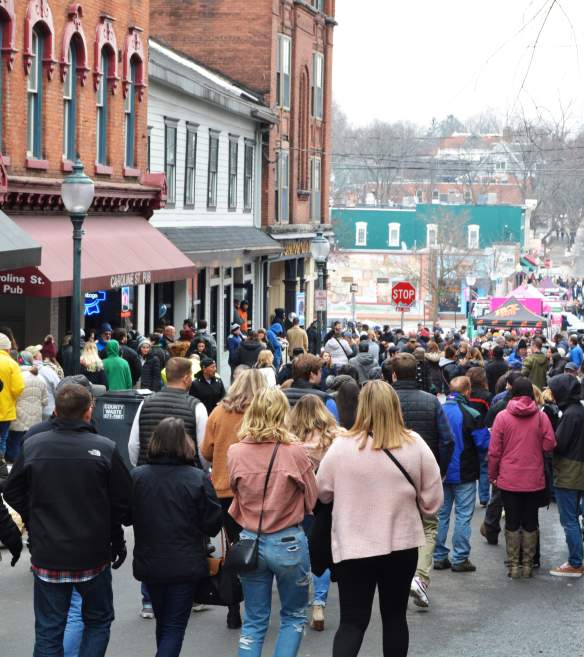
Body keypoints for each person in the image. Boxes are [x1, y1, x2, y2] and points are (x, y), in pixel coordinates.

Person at [4, 383, 132, 657]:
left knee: (50, 628)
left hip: (48, 552)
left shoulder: (34, 446)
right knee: (97, 620)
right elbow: (122, 500)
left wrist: (34, 515)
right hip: (92, 553)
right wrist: (114, 535)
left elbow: (12, 491)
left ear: (56, 411)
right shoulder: (104, 448)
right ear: (89, 411)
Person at [317, 380, 443, 657]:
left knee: (352, 622)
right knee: (395, 618)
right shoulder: (414, 444)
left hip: (353, 547)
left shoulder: (341, 447)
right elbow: (432, 502)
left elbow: (322, 493)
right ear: (395, 407)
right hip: (401, 544)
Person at [227, 387, 318, 657]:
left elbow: (236, 491)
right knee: (293, 616)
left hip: (250, 540)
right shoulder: (295, 452)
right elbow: (312, 500)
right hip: (288, 540)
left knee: (254, 621)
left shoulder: (235, 452)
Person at [132, 417, 223, 657]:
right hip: (186, 563)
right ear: (185, 444)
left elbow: (127, 515)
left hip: (150, 561)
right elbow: (213, 523)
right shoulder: (196, 478)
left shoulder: (138, 477)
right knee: (173, 627)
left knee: (163, 623)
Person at [201, 369, 267, 630]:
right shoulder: (265, 413)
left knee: (234, 549)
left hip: (226, 491)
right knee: (260, 549)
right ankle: (256, 604)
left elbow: (205, 450)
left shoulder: (219, 412)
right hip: (260, 490)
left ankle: (232, 608)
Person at [386, 353, 454, 609]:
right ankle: (420, 577)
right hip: (424, 471)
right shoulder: (431, 402)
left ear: (393, 374)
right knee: (428, 524)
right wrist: (440, 470)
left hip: (389, 472)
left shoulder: (386, 401)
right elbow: (447, 440)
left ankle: (394, 576)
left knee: (394, 523)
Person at [488, 377, 556, 578]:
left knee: (511, 520)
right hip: (533, 477)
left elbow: (494, 452)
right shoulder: (541, 417)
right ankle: (528, 565)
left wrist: (493, 475)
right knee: (530, 520)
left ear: (513, 392)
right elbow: (550, 443)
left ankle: (513, 566)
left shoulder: (502, 417)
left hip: (509, 478)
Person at [289, 394, 338, 631]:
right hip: (327, 502)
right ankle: (319, 602)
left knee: (299, 552)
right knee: (322, 551)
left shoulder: (290, 441)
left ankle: (298, 603)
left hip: (298, 500)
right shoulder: (336, 437)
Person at [434, 376, 490, 572]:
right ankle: (459, 558)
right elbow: (484, 444)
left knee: (441, 515)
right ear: (467, 391)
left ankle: (439, 556)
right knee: (463, 516)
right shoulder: (472, 413)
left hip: (440, 471)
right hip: (464, 472)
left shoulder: (438, 409)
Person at [548, 374, 584, 577]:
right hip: (578, 469)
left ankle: (575, 562)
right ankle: (577, 559)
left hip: (569, 472)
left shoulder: (570, 414)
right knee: (574, 518)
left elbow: (558, 445)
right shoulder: (578, 410)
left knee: (569, 519)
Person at [7, 352, 48, 463]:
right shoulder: (40, 377)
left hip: (18, 417)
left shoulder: (16, 376)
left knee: (15, 446)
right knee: (30, 446)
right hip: (35, 420)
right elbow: (45, 401)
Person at [283, 354, 338, 418]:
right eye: (320, 371)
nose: (321, 374)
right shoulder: (326, 400)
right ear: (312, 375)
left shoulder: (280, 396)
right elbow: (334, 425)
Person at [467, 366, 492, 507]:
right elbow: (491, 414)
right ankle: (483, 497)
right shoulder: (486, 396)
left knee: (470, 466)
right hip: (483, 433)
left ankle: (469, 497)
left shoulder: (467, 394)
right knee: (484, 467)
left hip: (467, 433)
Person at [0, 333, 25, 478]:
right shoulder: (11, 363)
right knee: (2, 439)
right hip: (5, 408)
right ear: (8, 349)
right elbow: (18, 387)